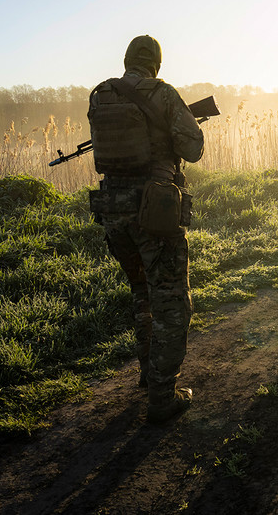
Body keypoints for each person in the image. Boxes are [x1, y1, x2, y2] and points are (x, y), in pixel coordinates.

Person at [87, 35, 204, 423]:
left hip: (112, 211)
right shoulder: (164, 94)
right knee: (173, 305)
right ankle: (162, 397)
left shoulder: (100, 95)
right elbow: (193, 149)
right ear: (156, 63)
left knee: (142, 294)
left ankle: (148, 374)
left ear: (126, 60)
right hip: (155, 212)